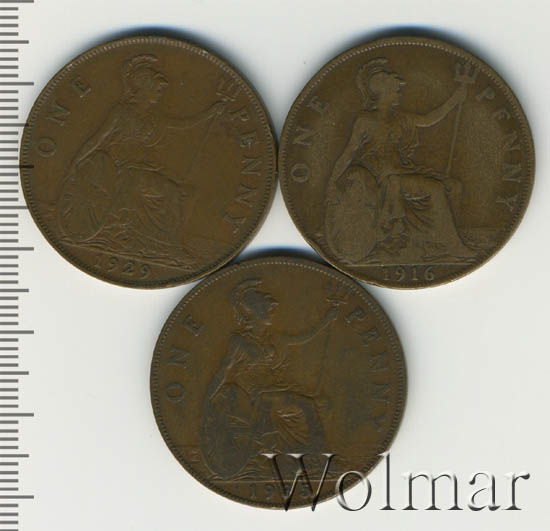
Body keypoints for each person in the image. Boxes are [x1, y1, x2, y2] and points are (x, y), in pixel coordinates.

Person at [57, 54, 225, 264]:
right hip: (120, 172)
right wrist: (77, 162)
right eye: (156, 87)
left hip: (141, 170)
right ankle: (166, 245)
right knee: (171, 192)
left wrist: (210, 114)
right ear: (144, 87)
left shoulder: (152, 116)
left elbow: (182, 124)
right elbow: (97, 140)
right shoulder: (121, 113)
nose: (160, 90)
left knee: (181, 192)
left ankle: (165, 243)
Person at [325, 57, 476, 264]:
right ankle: (454, 247)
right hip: (382, 180)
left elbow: (429, 119)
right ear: (382, 92)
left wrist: (455, 100)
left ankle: (432, 244)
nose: (400, 93)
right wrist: (333, 182)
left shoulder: (401, 118)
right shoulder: (365, 121)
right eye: (396, 90)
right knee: (435, 189)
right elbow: (348, 153)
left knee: (453, 187)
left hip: (403, 171)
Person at [201, 278, 338, 479]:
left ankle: (307, 458)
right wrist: (209, 398)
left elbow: (303, 338)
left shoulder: (272, 340)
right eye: (267, 305)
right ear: (254, 311)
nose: (272, 308)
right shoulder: (240, 341)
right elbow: (224, 371)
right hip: (255, 398)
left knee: (316, 404)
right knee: (306, 405)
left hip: (273, 392)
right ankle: (319, 458)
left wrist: (326, 321)